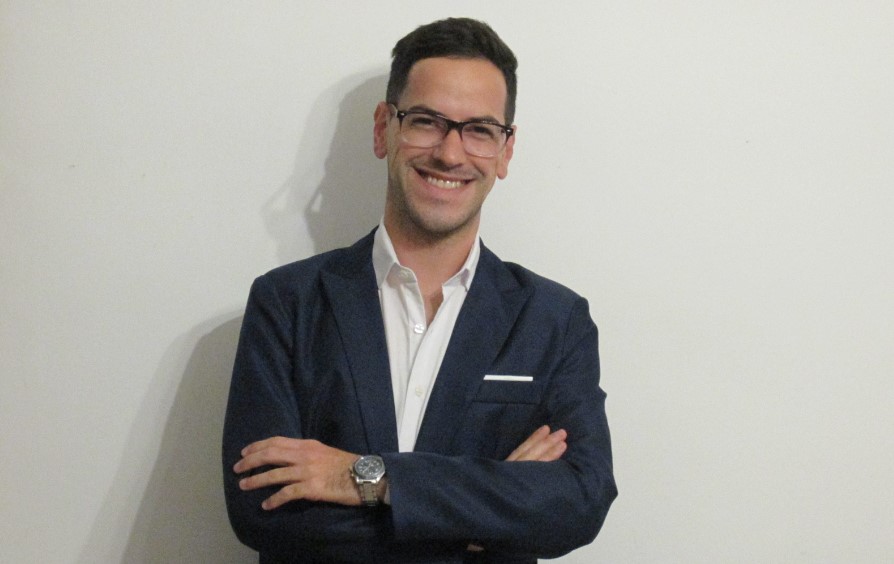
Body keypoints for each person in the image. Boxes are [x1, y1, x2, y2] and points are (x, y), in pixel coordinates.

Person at [222, 17, 616, 563]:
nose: (450, 154)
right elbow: (261, 509)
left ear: (505, 150)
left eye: (480, 130)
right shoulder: (287, 303)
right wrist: (490, 513)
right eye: (427, 121)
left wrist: (368, 478)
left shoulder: (555, 319)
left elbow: (579, 502)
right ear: (383, 128)